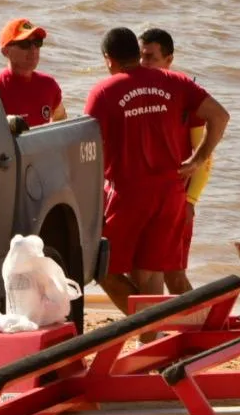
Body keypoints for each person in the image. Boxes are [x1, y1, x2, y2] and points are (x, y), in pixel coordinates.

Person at [83, 27, 229, 316]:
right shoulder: (175, 81)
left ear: (108, 59)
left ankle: (148, 330)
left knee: (100, 268)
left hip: (128, 195)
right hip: (170, 194)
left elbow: (87, 150)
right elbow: (220, 116)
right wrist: (199, 159)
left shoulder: (103, 91)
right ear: (137, 54)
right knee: (149, 275)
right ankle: (155, 348)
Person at [138, 27, 214, 295]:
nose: (143, 64)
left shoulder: (185, 95)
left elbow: (204, 157)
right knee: (150, 271)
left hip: (177, 201)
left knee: (175, 277)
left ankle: (204, 328)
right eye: (140, 57)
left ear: (169, 60)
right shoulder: (138, 95)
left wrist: (191, 201)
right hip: (151, 201)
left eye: (150, 57)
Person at [0, 18, 67, 127]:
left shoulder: (49, 85)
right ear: (6, 51)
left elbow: (61, 120)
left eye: (37, 43)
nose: (33, 50)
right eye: (25, 44)